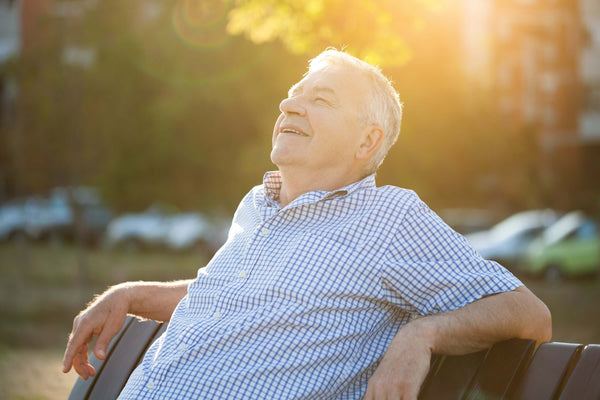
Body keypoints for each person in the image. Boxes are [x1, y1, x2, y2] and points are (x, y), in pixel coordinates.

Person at [63, 49, 552, 399]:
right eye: (293, 95)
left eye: (320, 100)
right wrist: (130, 294)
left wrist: (420, 335)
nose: (288, 105)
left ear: (367, 141)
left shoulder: (388, 217)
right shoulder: (257, 206)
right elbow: (230, 295)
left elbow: (529, 314)